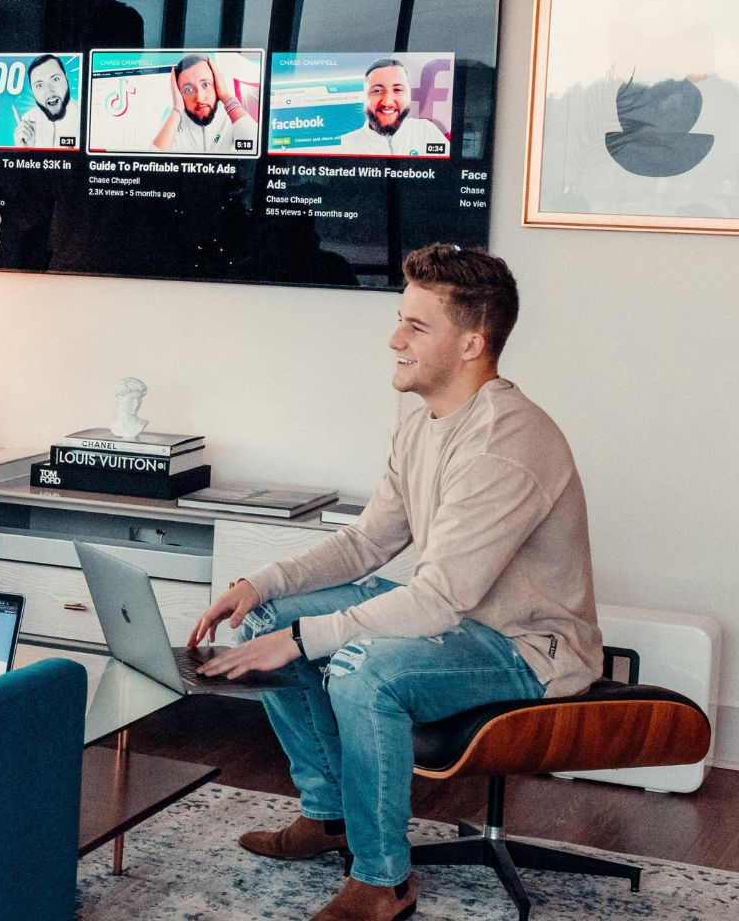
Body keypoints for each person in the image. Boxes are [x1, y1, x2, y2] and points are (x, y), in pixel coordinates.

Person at [187, 244, 601, 921]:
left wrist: (303, 641)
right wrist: (261, 585)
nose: (394, 340)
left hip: (525, 647)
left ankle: (384, 881)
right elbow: (370, 541)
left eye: (416, 327)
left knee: (360, 669)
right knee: (267, 618)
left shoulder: (503, 445)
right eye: (399, 320)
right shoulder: (423, 423)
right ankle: (329, 819)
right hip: (459, 619)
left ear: (472, 343)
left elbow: (437, 600)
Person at [337, 59, 450, 157]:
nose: (387, 101)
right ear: (364, 96)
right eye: (377, 90)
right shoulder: (346, 144)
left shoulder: (425, 131)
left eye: (397, 90)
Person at [152, 54, 257, 154]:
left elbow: (257, 151)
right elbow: (151, 165)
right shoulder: (174, 124)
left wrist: (226, 96)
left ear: (216, 84)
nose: (199, 98)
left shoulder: (231, 118)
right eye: (188, 90)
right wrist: (177, 109)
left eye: (205, 85)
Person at [15, 53, 77, 149]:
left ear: (66, 78)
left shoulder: (87, 121)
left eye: (55, 79)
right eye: (39, 85)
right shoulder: (28, 119)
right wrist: (24, 151)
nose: (49, 91)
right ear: (32, 91)